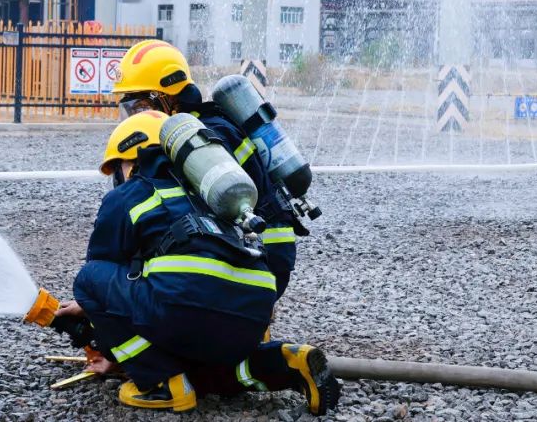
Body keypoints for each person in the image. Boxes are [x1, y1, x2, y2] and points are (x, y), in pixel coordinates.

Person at [57, 112, 338, 414]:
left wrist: (115, 346)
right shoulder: (214, 195)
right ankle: (286, 363)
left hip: (186, 309)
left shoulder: (131, 193)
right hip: (252, 314)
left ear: (132, 160)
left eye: (118, 167)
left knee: (88, 278)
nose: (118, 177)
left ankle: (161, 383)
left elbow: (102, 273)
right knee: (207, 375)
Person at [112, 40, 299, 297]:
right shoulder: (207, 127)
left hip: (262, 253)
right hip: (268, 250)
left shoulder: (198, 141)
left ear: (168, 98)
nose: (134, 119)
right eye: (128, 109)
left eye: (141, 108)